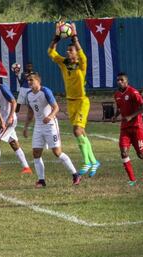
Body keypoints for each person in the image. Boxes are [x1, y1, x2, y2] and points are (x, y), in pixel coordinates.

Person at [48, 21, 100, 177]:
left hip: (82, 101)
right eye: (67, 50)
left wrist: (75, 36)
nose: (68, 52)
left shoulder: (81, 64)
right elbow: (51, 52)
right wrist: (57, 37)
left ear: (76, 54)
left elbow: (82, 54)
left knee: (77, 130)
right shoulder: (64, 64)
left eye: (71, 51)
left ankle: (86, 161)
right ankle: (94, 161)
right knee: (80, 131)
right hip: (70, 102)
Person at [23, 72, 81, 187]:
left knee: (57, 152)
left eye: (31, 80)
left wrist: (49, 116)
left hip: (50, 125)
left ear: (38, 81)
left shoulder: (45, 91)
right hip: (38, 126)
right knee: (36, 153)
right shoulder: (28, 95)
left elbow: (56, 107)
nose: (29, 82)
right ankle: (41, 180)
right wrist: (26, 127)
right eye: (28, 80)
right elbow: (30, 112)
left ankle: (75, 174)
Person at [112, 72, 143, 186]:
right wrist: (115, 116)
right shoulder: (117, 94)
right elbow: (119, 107)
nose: (119, 82)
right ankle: (132, 179)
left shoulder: (133, 92)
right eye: (118, 80)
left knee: (141, 154)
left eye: (122, 80)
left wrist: (131, 116)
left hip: (137, 127)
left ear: (127, 81)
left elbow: (142, 107)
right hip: (125, 128)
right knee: (123, 152)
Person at [0, 71, 32, 175]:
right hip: (3, 119)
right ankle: (26, 168)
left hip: (8, 120)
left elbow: (13, 101)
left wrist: (11, 116)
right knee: (13, 143)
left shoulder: (2, 88)